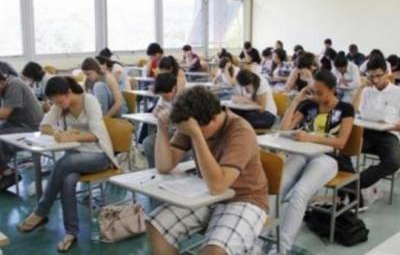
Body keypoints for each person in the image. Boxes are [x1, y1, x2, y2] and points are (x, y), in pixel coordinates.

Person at [146, 86, 268, 255]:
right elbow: (164, 166)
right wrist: (162, 128)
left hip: (245, 198)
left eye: (192, 130)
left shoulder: (241, 131)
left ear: (212, 119)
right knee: (155, 225)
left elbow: (218, 185)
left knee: (214, 251)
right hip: (207, 195)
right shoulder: (192, 123)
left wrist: (196, 135)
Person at [17, 76, 117, 252]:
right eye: (55, 102)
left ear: (69, 92)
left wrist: (73, 136)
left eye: (60, 100)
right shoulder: (60, 104)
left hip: (99, 154)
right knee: (68, 181)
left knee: (63, 163)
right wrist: (57, 132)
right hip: (76, 155)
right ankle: (71, 232)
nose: (59, 105)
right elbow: (43, 126)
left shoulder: (89, 101)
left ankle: (41, 211)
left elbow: (96, 135)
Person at [278, 69, 354, 254]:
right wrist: (297, 100)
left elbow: (341, 142)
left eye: (321, 93)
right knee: (278, 188)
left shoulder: (345, 109)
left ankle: (282, 249)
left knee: (300, 193)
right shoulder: (308, 106)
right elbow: (283, 129)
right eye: (313, 91)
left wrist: (310, 138)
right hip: (301, 154)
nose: (316, 96)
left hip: (328, 158)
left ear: (332, 89)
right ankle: (259, 237)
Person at [353, 56, 400, 210]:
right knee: (343, 151)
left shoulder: (397, 93)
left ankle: (354, 185)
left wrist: (390, 126)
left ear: (387, 73)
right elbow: (353, 112)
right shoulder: (367, 91)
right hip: (367, 132)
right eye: (371, 76)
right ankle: (355, 195)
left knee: (394, 162)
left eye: (378, 75)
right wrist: (360, 88)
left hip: (388, 135)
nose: (375, 80)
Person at [0, 71, 44, 191]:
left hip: (31, 127)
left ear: (1, 81)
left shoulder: (14, 85)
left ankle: (8, 174)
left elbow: (4, 114)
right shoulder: (6, 85)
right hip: (16, 123)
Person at [142, 73, 178, 168]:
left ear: (174, 89)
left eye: (165, 94)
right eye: (161, 94)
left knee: (172, 146)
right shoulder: (163, 97)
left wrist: (167, 113)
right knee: (147, 143)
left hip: (180, 133)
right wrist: (158, 111)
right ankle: (154, 169)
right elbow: (154, 113)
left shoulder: (181, 97)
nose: (164, 97)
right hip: (168, 130)